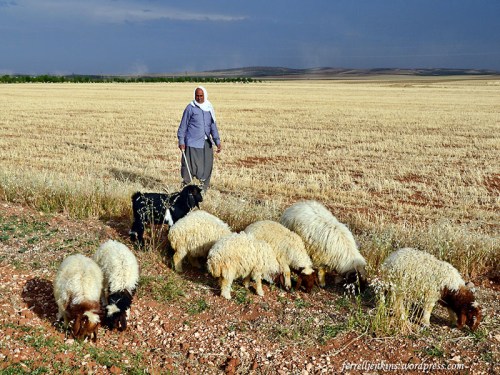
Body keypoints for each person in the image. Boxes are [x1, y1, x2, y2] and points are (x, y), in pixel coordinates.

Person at [177, 86, 222, 191]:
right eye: (197, 95)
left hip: (206, 144)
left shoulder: (209, 108)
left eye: (201, 96)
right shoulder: (190, 108)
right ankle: (185, 191)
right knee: (190, 168)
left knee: (206, 168)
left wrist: (217, 141)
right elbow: (183, 126)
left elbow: (212, 126)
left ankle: (202, 191)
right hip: (192, 143)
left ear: (205, 96)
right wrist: (181, 141)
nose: (199, 98)